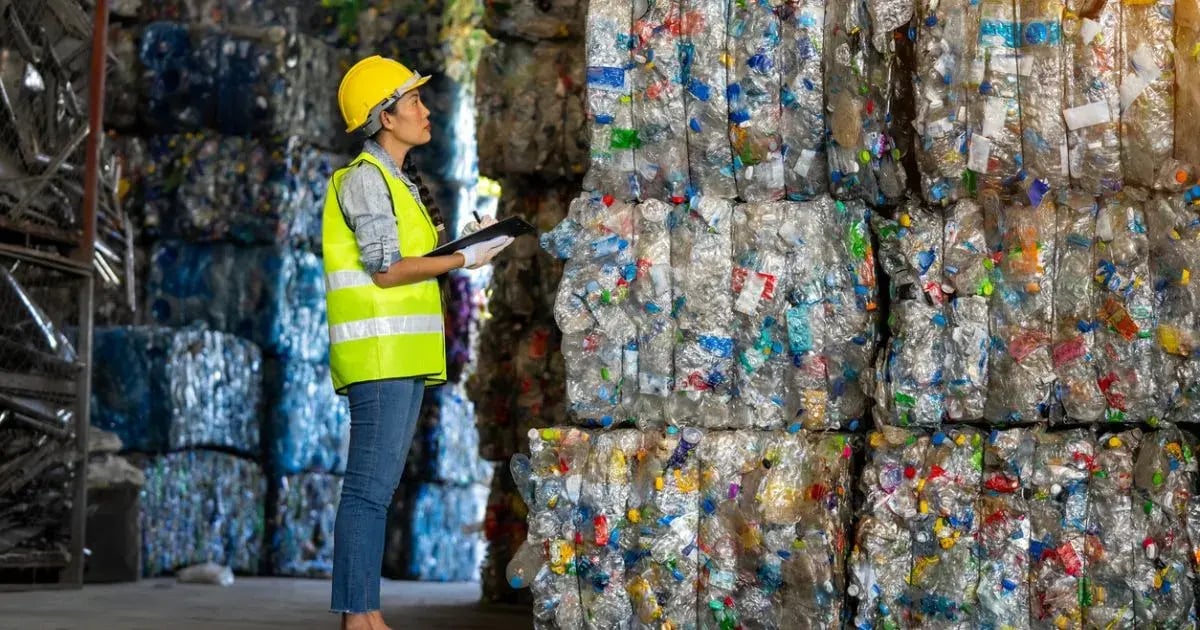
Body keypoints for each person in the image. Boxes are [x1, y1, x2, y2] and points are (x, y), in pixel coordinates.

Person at [322, 55, 512, 630]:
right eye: (413, 102)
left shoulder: (399, 182)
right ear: (384, 117)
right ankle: (359, 618)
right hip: (378, 356)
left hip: (401, 355)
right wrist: (461, 259)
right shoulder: (364, 179)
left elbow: (412, 258)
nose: (425, 110)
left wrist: (468, 244)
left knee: (377, 489)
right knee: (366, 490)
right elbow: (385, 270)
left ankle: (366, 613)